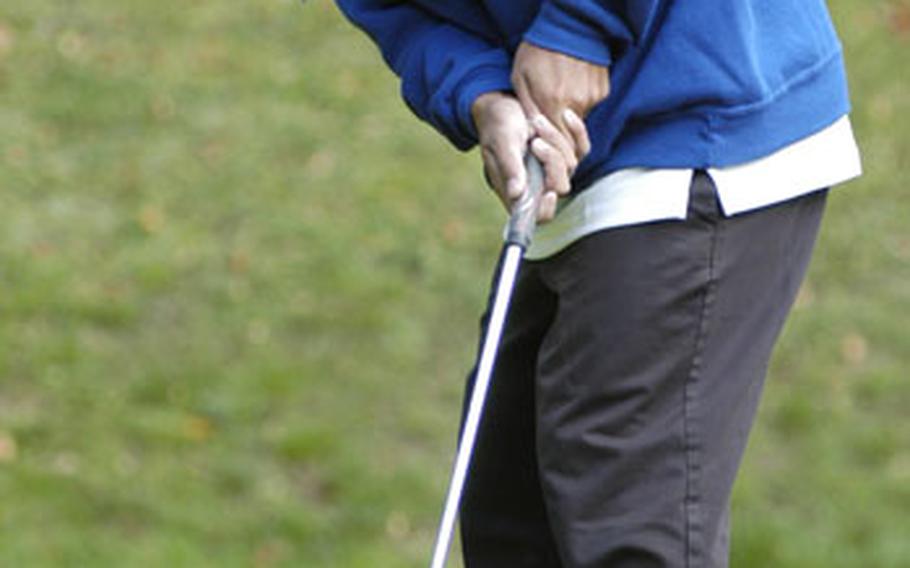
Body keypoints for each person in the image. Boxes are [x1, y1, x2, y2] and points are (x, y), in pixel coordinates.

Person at [336, 1, 862, 566]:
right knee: (509, 511)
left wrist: (578, 25)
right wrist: (480, 93)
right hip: (575, 174)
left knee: (624, 525)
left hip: (694, 118)